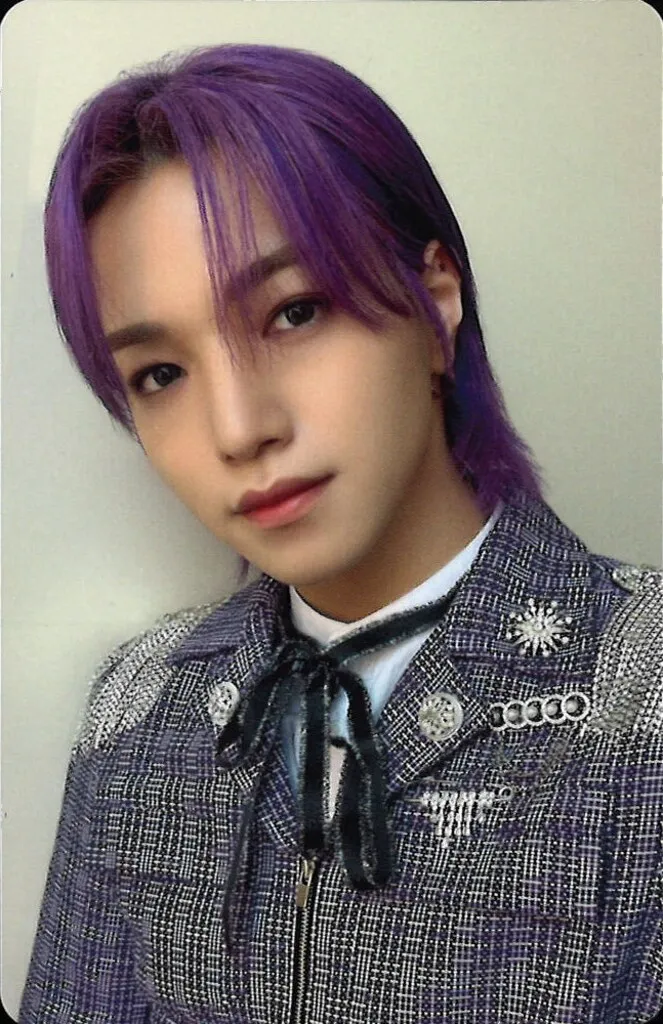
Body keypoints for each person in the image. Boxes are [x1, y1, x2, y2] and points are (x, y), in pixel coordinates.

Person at [19, 42, 662, 1024]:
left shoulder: (639, 703)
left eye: (294, 311)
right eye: (160, 374)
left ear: (434, 300)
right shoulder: (138, 709)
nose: (240, 429)